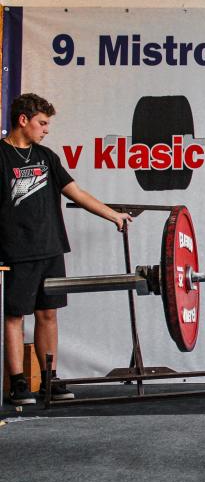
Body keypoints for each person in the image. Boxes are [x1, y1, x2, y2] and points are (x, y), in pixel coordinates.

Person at [1, 93, 132, 405]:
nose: (47, 129)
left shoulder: (46, 156)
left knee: (48, 314)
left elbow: (76, 192)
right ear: (23, 120)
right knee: (15, 316)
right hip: (15, 251)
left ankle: (50, 380)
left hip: (51, 247)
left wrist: (113, 215)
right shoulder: (1, 156)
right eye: (42, 123)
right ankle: (18, 383)